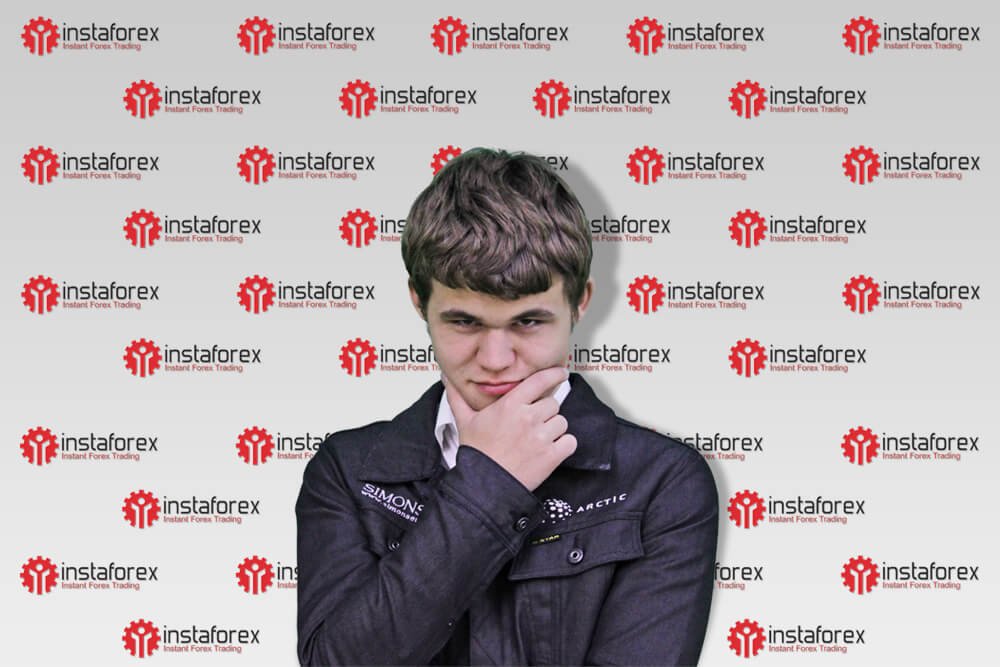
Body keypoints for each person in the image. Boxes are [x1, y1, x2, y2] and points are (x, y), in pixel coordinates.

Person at [296, 148, 718, 666]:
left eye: (528, 322)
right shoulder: (348, 471)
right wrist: (487, 484)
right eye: (465, 322)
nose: (496, 361)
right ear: (419, 302)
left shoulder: (663, 483)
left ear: (580, 303)